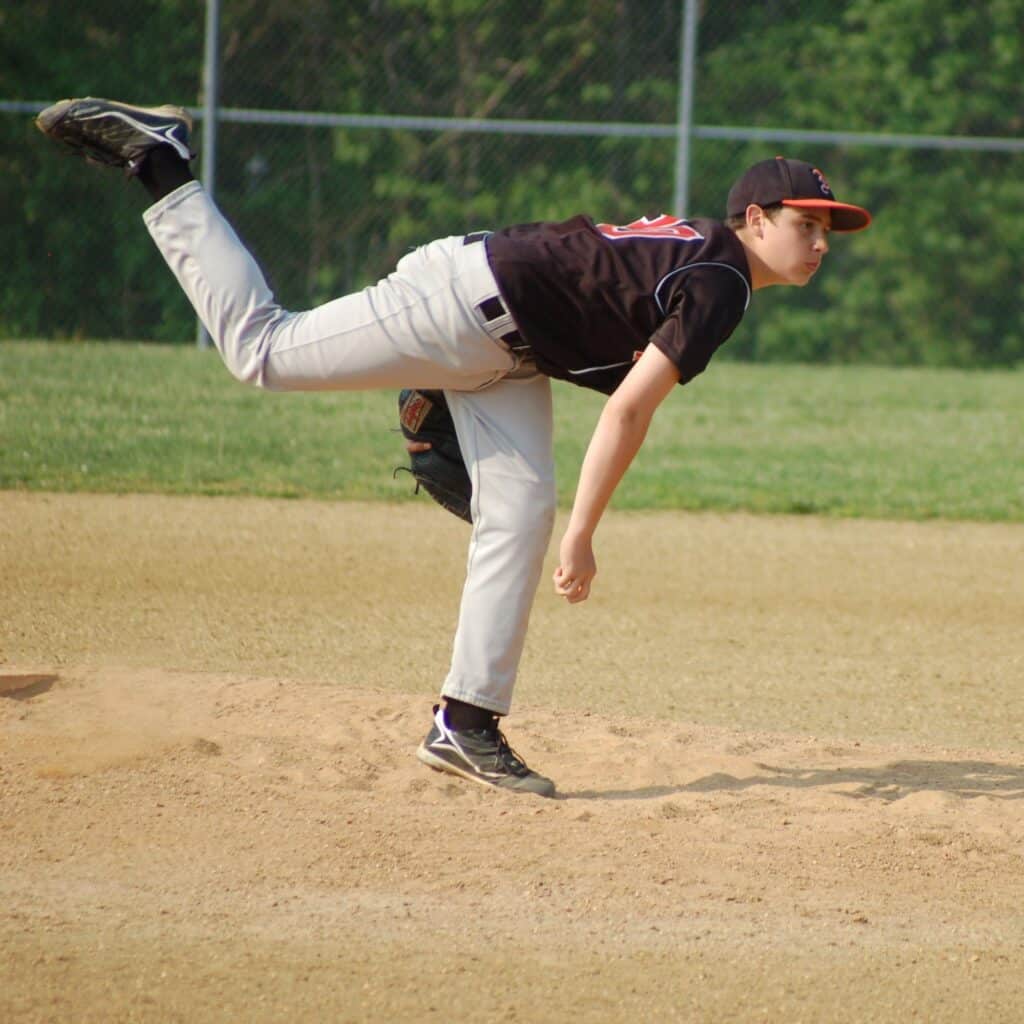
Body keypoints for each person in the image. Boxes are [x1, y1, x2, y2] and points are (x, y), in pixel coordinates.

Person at [35, 97, 872, 799]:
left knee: (515, 516)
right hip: (463, 306)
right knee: (261, 351)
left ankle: (464, 725)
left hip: (503, 346)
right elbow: (626, 412)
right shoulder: (722, 281)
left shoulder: (711, 258)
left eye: (832, 228)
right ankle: (161, 163)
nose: (823, 242)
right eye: (809, 223)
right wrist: (586, 535)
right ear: (756, 219)